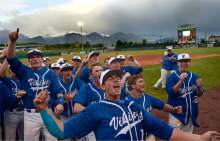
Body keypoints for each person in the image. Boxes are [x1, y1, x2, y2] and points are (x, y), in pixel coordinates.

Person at [34, 69, 220, 141]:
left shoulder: (134, 107)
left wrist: (200, 138)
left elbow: (167, 131)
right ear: (103, 85)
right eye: (110, 79)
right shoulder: (95, 109)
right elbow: (61, 131)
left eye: (118, 78)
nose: (115, 81)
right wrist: (45, 110)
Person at [6, 28, 65, 140]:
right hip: (30, 114)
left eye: (37, 56)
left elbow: (58, 91)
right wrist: (12, 42)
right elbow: (11, 58)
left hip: (48, 112)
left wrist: (61, 102)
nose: (35, 59)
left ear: (42, 59)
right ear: (29, 61)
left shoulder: (50, 73)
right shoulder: (24, 72)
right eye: (31, 57)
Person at [126, 74, 182, 141]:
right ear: (133, 86)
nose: (143, 83)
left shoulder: (148, 98)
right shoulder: (126, 101)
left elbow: (163, 106)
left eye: (143, 81)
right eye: (140, 82)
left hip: (149, 136)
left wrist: (173, 109)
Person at [166, 53, 204, 133]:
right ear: (177, 63)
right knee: (174, 137)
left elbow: (199, 93)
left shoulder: (194, 76)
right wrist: (181, 81)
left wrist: (199, 87)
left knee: (188, 137)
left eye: (186, 61)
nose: (183, 63)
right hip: (176, 114)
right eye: (181, 61)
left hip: (190, 113)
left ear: (189, 63)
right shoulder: (172, 76)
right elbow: (171, 93)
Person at [0, 58, 26, 140]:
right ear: (9, 71)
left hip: (24, 111)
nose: (14, 70)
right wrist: (6, 57)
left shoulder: (24, 81)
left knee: (24, 137)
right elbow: (1, 74)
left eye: (15, 69)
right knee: (10, 137)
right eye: (12, 69)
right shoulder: (7, 80)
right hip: (11, 112)